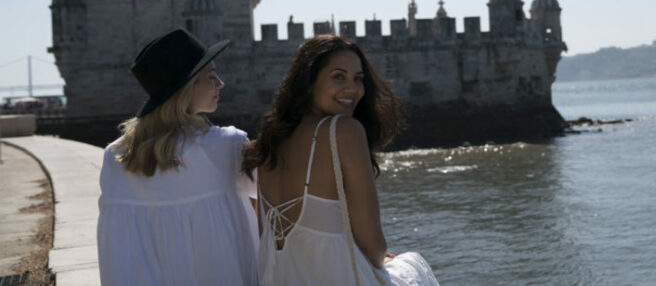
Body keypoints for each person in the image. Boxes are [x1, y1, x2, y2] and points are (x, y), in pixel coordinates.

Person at [244, 35, 439, 286]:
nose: (353, 89)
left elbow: (267, 238)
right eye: (338, 76)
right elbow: (373, 245)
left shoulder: (268, 143)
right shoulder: (344, 131)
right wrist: (385, 260)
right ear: (309, 81)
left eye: (358, 79)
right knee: (412, 265)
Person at [97, 28, 259, 285]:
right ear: (186, 87)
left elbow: (117, 250)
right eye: (211, 76)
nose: (221, 83)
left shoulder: (115, 156)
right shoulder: (225, 145)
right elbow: (272, 188)